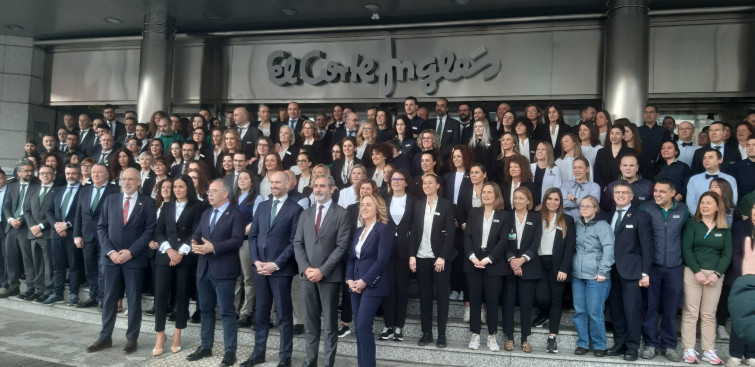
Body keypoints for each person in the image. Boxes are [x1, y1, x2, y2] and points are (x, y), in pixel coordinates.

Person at [87, 168, 156, 355]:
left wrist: (131, 252)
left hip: (134, 260)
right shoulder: (111, 200)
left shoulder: (148, 203)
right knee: (109, 299)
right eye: (123, 179)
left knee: (133, 301)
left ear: (139, 181)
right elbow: (101, 227)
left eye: (131, 179)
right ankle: (105, 337)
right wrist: (110, 252)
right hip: (111, 260)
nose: (126, 182)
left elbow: (149, 231)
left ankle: (132, 338)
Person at [241, 171, 303, 367]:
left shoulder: (295, 209)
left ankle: (285, 357)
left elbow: (294, 242)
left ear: (287, 185)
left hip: (280, 270)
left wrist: (275, 264)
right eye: (271, 182)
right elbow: (253, 237)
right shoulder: (262, 206)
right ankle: (258, 353)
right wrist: (257, 261)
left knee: (284, 315)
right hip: (260, 269)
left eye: (278, 182)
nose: (274, 185)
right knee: (261, 313)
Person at [293, 175, 352, 367]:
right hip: (307, 276)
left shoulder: (342, 214)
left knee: (329, 325)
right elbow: (298, 243)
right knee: (310, 323)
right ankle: (310, 360)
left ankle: (328, 363)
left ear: (332, 189)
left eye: (322, 186)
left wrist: (322, 270)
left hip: (329, 277)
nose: (318, 189)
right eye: (315, 186)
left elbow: (342, 246)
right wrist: (306, 268)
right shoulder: (305, 213)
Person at [185, 179, 245, 366]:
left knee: (227, 312)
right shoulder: (207, 213)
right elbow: (196, 235)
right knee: (205, 310)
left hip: (224, 271)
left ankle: (230, 352)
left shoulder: (236, 214)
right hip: (203, 270)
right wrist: (194, 244)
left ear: (225, 193)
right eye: (208, 191)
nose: (209, 194)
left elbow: (237, 240)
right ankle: (206, 346)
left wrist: (214, 247)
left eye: (213, 191)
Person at [152, 175, 203, 356]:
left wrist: (181, 252)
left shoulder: (197, 206)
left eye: (181, 187)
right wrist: (169, 251)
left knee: (182, 295)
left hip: (185, 257)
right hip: (165, 255)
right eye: (175, 187)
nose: (177, 190)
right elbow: (158, 232)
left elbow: (197, 231)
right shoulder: (166, 206)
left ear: (188, 187)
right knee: (160, 295)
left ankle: (177, 333)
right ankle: (160, 334)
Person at [603, 180, 653, 361]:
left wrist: (645, 273)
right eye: (617, 193)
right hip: (612, 270)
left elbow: (647, 247)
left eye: (625, 193)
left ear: (632, 196)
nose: (621, 196)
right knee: (615, 310)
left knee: (632, 310)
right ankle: (620, 342)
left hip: (633, 272)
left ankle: (632, 346)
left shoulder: (641, 216)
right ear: (613, 196)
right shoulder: (608, 216)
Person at [639, 179, 688, 362]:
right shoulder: (645, 208)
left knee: (670, 308)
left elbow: (686, 235)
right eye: (656, 191)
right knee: (650, 306)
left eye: (662, 191)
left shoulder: (683, 210)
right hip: (652, 266)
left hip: (675, 266)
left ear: (673, 194)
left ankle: (669, 346)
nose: (657, 194)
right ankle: (650, 344)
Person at [680, 191, 732, 365]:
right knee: (691, 312)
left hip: (715, 275)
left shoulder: (724, 227)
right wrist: (697, 272)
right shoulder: (692, 224)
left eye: (709, 203)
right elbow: (686, 249)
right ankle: (688, 348)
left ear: (718, 206)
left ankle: (708, 350)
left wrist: (717, 274)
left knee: (709, 314)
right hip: (693, 272)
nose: (704, 206)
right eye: (702, 202)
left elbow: (727, 254)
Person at [409, 173, 457, 348]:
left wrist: (442, 256)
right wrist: (412, 255)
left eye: (430, 182)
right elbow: (414, 231)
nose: (426, 185)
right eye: (424, 183)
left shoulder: (446, 205)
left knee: (442, 297)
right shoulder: (418, 204)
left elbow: (451, 232)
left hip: (440, 259)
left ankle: (442, 334)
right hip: (422, 257)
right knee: (425, 297)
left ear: (438, 185)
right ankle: (426, 333)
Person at [345, 194, 392, 367]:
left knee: (364, 326)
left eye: (368, 205)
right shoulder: (359, 230)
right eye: (362, 205)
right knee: (358, 328)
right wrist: (349, 279)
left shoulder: (383, 229)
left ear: (377, 208)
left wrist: (365, 280)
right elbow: (351, 258)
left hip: (373, 284)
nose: (363, 208)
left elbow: (382, 260)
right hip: (355, 285)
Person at [531, 188, 576, 353]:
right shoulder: (536, 218)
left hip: (558, 267)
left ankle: (552, 337)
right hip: (538, 264)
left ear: (560, 202)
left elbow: (570, 247)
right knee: (541, 297)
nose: (552, 202)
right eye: (549, 199)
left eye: (556, 199)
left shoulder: (567, 220)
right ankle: (545, 313)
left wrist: (564, 268)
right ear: (544, 200)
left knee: (555, 301)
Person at [572, 195, 614, 357]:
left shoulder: (603, 226)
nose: (585, 209)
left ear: (596, 208)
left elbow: (609, 249)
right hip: (578, 274)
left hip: (597, 276)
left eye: (589, 206)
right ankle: (582, 343)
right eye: (582, 206)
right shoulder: (577, 224)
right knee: (580, 311)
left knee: (595, 312)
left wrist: (603, 271)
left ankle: (599, 344)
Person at [502, 187, 542, 353]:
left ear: (528, 200)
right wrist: (513, 261)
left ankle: (525, 338)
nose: (517, 201)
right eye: (515, 198)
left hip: (529, 267)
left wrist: (522, 261)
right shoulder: (507, 217)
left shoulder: (535, 218)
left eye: (521, 198)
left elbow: (535, 243)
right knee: (508, 303)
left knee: (526, 304)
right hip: (509, 266)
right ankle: (509, 337)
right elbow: (504, 241)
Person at [379, 170, 414, 342]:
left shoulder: (413, 201)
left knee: (402, 289)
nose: (397, 182)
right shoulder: (384, 200)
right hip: (386, 250)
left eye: (400, 179)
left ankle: (399, 326)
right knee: (388, 289)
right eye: (394, 179)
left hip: (405, 251)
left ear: (406, 182)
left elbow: (416, 228)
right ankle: (388, 325)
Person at [42, 165, 84, 305]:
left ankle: (73, 294)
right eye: (68, 173)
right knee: (58, 266)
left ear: (79, 175)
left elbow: (84, 213)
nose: (70, 176)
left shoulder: (84, 191)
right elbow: (48, 211)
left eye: (73, 173)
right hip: (56, 234)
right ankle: (58, 293)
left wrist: (67, 225)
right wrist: (56, 225)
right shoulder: (57, 190)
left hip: (73, 234)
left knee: (74, 265)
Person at [1, 159, 40, 299]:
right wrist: (11, 219)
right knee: (10, 258)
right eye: (26, 171)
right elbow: (6, 206)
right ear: (18, 173)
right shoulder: (12, 186)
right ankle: (13, 286)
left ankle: (31, 287)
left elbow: (32, 208)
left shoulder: (37, 185)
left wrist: (21, 220)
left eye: (31, 170)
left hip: (27, 227)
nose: (29, 173)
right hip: (11, 227)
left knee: (27, 259)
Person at [22, 165, 56, 303]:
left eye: (48, 173)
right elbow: (26, 210)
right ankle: (38, 289)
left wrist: (41, 226)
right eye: (42, 173)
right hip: (33, 233)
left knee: (48, 263)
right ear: (38, 175)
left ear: (53, 175)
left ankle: (48, 290)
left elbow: (55, 213)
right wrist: (32, 227)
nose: (45, 176)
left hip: (47, 233)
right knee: (36, 262)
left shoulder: (57, 191)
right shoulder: (33, 189)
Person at [727, 212, 755, 361]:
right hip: (741, 277)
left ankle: (752, 354)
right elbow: (735, 253)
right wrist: (746, 274)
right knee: (740, 315)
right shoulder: (740, 226)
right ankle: (735, 354)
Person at [686, 148, 738, 215]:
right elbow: (690, 203)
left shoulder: (730, 179)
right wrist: (702, 217)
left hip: (723, 218)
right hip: (698, 219)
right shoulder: (693, 179)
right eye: (704, 158)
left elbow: (732, 201)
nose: (706, 160)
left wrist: (720, 217)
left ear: (720, 160)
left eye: (710, 157)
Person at [531, 142, 561, 210]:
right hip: (530, 205)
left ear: (548, 152)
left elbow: (556, 189)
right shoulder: (530, 167)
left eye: (543, 149)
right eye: (538, 149)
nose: (539, 151)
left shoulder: (555, 169)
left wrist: (542, 205)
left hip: (547, 206)